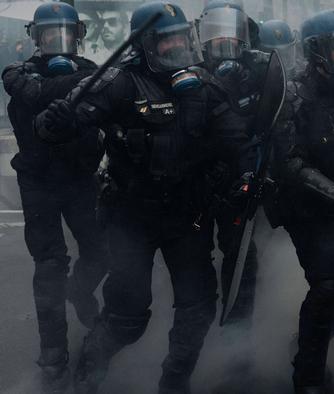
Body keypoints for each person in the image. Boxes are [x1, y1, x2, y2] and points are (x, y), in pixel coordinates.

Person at [34, 2, 255, 393]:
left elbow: (237, 141)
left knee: (197, 307)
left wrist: (246, 178)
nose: (177, 49)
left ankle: (174, 382)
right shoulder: (120, 82)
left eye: (181, 39)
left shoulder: (203, 84)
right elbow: (68, 121)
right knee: (127, 317)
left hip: (188, 214)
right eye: (166, 42)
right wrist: (55, 122)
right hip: (132, 217)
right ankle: (87, 374)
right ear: (146, 45)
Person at [1, 3, 109, 393]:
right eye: (50, 36)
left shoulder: (93, 72)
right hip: (40, 182)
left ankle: (80, 292)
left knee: (101, 252)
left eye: (65, 35)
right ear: (36, 38)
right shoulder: (19, 73)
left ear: (77, 36)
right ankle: (54, 356)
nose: (58, 43)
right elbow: (29, 89)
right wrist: (75, 85)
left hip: (80, 180)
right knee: (49, 266)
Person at [266, 9, 334, 393]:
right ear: (316, 54)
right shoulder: (293, 92)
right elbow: (290, 161)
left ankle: (304, 346)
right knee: (327, 287)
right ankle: (307, 378)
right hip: (304, 206)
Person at [197, 0, 261, 326]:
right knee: (194, 262)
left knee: (241, 261)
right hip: (198, 181)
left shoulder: (255, 73)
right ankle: (198, 332)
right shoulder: (192, 74)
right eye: (215, 34)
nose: (225, 43)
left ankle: (237, 338)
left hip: (238, 180)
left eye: (232, 34)